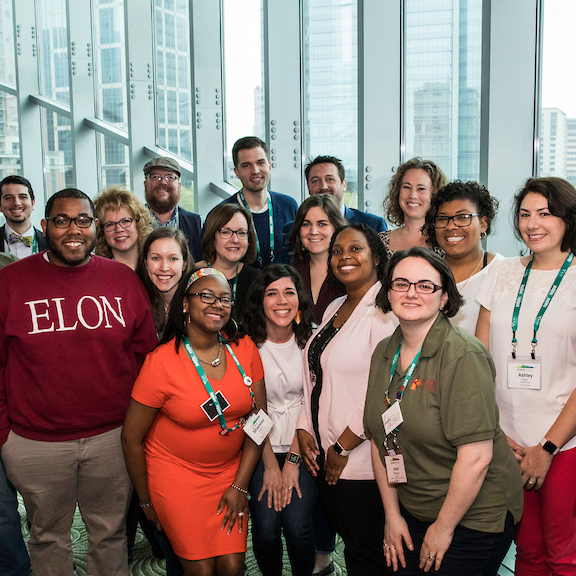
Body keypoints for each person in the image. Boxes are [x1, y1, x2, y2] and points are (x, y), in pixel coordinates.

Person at [0, 188, 158, 576]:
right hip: (35, 443)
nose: (74, 229)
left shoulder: (122, 280)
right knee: (48, 536)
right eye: (62, 220)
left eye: (83, 220)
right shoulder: (10, 282)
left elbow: (146, 360)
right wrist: (6, 433)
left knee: (109, 534)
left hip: (112, 439)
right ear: (45, 226)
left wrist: (139, 431)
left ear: (95, 228)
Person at [364, 247, 523, 575]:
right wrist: (392, 516)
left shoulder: (462, 355)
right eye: (401, 283)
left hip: (475, 513)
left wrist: (443, 528)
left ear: (445, 297)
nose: (411, 292)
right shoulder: (384, 351)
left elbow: (477, 459)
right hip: (414, 507)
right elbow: (381, 441)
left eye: (425, 285)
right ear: (388, 291)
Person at [122, 267, 266, 576]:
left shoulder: (245, 349)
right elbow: (131, 438)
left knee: (233, 566)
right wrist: (146, 504)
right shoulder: (160, 362)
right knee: (200, 571)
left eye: (225, 299)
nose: (218, 304)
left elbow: (259, 423)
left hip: (230, 473)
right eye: (207, 296)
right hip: (176, 475)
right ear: (185, 303)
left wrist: (240, 486)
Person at [476, 177, 576, 576]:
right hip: (507, 440)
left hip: (562, 445)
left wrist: (546, 448)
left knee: (562, 552)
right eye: (524, 214)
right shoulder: (501, 274)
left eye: (545, 213)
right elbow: (479, 361)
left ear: (567, 219)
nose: (533, 223)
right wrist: (496, 433)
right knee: (527, 550)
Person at [296, 223, 397, 576]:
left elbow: (385, 394)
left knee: (368, 552)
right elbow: (315, 374)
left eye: (356, 249)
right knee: (355, 545)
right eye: (337, 251)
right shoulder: (337, 305)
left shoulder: (385, 313)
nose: (344, 257)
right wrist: (304, 426)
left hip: (361, 462)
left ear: (376, 256)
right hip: (327, 452)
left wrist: (342, 447)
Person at [242, 264, 321, 576]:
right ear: (260, 300)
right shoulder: (246, 346)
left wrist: (291, 460)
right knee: (265, 528)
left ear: (299, 300)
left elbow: (313, 405)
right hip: (258, 445)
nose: (281, 300)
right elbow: (250, 411)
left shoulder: (312, 342)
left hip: (303, 443)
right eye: (272, 293)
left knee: (298, 526)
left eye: (289, 292)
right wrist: (271, 465)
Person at [422, 180, 503, 334]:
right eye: (442, 218)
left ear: (483, 224)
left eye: (462, 217)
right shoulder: (424, 272)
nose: (451, 226)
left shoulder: (501, 272)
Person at [218, 136, 298, 267]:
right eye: (246, 165)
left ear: (269, 166)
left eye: (260, 162)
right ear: (236, 172)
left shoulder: (289, 206)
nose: (255, 170)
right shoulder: (222, 213)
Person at [283, 155, 387, 239]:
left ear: (344, 184)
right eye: (315, 181)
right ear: (309, 188)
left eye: (330, 179)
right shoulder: (292, 230)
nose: (323, 186)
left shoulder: (373, 225)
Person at [289, 194, 347, 323]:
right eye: (306, 224)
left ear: (336, 228)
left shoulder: (350, 272)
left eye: (322, 224)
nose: (313, 231)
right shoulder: (292, 274)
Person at [197, 203, 259, 323]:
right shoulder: (193, 276)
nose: (235, 240)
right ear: (212, 236)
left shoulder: (258, 280)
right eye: (226, 232)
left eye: (241, 233)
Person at [380, 158, 447, 258]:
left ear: (434, 194)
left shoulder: (445, 242)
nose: (413, 195)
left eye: (421, 189)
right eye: (406, 187)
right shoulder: (379, 242)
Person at [136, 227, 194, 337]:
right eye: (156, 258)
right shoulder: (136, 304)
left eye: (173, 259)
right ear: (145, 263)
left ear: (184, 264)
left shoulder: (198, 304)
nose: (164, 267)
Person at [143, 156, 203, 261]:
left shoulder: (198, 224)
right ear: (145, 184)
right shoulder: (131, 223)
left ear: (179, 185)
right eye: (155, 177)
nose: (162, 182)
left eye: (170, 177)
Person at [94, 185, 153, 270]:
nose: (118, 229)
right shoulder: (98, 273)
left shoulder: (155, 269)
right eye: (110, 224)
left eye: (125, 221)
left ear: (139, 223)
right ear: (101, 231)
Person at [0, 175, 47, 257]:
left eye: (23, 197)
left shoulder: (51, 244)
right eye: (8, 198)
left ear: (33, 203)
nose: (16, 203)